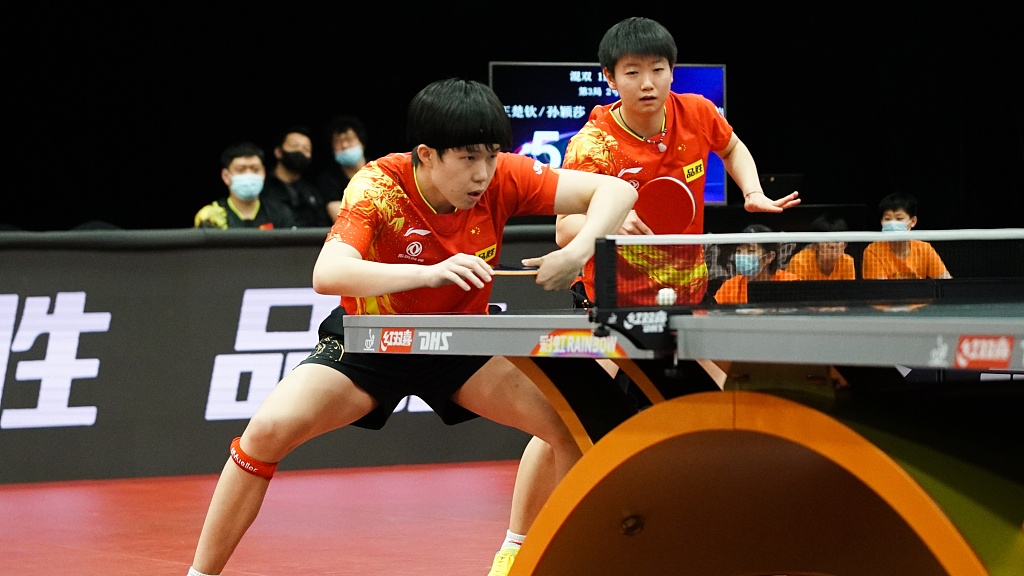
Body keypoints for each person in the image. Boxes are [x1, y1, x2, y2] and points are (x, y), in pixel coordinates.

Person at [185, 77, 638, 576]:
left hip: (461, 343)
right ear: (427, 154)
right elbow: (327, 273)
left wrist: (578, 251)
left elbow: (616, 190)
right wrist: (427, 273)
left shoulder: (504, 177)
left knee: (573, 424)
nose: (483, 173)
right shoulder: (380, 185)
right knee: (266, 431)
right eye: (468, 158)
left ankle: (520, 557)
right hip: (372, 341)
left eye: (491, 156)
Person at [555, 16, 800, 310]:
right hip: (614, 299)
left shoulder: (698, 113)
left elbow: (732, 148)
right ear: (610, 77)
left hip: (689, 293)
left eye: (658, 69)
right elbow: (564, 229)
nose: (647, 84)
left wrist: (752, 191)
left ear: (671, 71)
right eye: (632, 72)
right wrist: (612, 220)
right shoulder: (592, 145)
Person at [194, 141, 296, 230]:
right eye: (241, 170)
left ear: (263, 173)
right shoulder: (211, 215)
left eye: (255, 169)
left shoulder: (280, 213)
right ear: (225, 176)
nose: (249, 174)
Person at [862, 192, 951, 279]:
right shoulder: (873, 251)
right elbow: (881, 287)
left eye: (899, 219)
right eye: (887, 219)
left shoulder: (924, 249)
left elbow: (945, 280)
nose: (892, 223)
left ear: (913, 221)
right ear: (881, 222)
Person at [261, 125, 335, 227]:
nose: (300, 151)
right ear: (278, 152)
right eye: (294, 146)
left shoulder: (313, 192)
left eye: (306, 149)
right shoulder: (262, 188)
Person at [714, 224, 801, 304]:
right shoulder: (730, 287)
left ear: (769, 257)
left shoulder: (791, 282)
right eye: (739, 251)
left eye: (751, 251)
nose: (743, 256)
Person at [313, 114, 369, 220]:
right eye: (338, 141)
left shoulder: (379, 170)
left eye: (349, 139)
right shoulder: (327, 179)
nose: (344, 145)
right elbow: (341, 218)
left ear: (362, 143)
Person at [786, 213, 856, 280]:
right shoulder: (799, 262)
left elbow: (848, 288)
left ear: (845, 244)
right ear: (815, 245)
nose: (832, 245)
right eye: (827, 241)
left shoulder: (847, 262)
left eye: (837, 241)